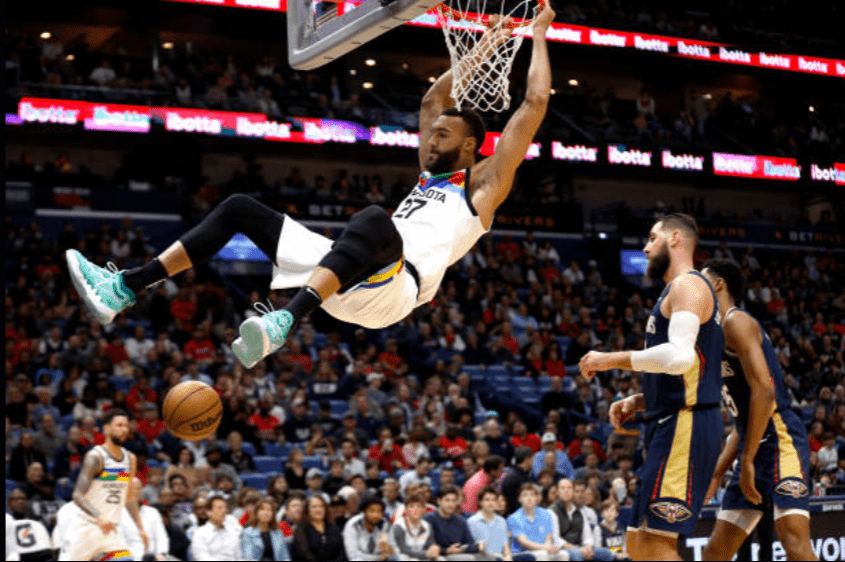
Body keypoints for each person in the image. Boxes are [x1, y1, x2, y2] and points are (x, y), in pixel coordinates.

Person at [65, 4, 556, 375]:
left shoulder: (485, 186)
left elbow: (533, 103)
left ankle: (283, 321)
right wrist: (483, 49)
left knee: (374, 218)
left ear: (470, 147)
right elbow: (432, 100)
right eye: (431, 134)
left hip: (393, 290)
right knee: (239, 208)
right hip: (345, 274)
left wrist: (537, 34)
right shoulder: (428, 174)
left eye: (442, 136)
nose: (429, 139)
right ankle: (124, 287)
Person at [579, 214, 724, 561]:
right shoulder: (676, 290)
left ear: (675, 238)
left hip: (686, 425)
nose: (645, 248)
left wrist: (609, 359)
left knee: (656, 545)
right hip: (672, 419)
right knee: (638, 543)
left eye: (651, 238)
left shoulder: (689, 285)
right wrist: (640, 400)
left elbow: (679, 358)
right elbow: (689, 374)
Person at [699, 259, 816, 561]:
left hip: (780, 441)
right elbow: (744, 423)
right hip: (752, 445)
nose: (694, 288)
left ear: (719, 284)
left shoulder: (735, 321)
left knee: (796, 546)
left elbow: (765, 392)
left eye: (701, 280)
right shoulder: (712, 338)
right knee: (715, 553)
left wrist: (747, 460)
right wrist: (717, 474)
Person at [63, 408, 148, 561]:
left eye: (126, 426)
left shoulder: (130, 459)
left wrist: (140, 528)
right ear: (106, 429)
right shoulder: (96, 457)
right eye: (119, 425)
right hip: (86, 529)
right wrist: (99, 517)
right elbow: (77, 495)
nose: (124, 430)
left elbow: (129, 498)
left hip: (110, 532)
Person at [507, 482, 568, 561]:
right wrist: (546, 548)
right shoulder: (513, 518)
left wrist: (548, 547)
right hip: (522, 553)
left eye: (532, 495)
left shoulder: (546, 514)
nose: (529, 498)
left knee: (564, 554)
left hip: (543, 549)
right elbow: (524, 542)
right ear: (520, 499)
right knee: (543, 555)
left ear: (536, 498)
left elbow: (548, 538)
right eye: (525, 495)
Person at [468, 486, 525, 561]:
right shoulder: (472, 522)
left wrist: (508, 556)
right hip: (484, 557)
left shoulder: (502, 521)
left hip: (501, 557)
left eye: (494, 500)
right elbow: (473, 548)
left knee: (528, 557)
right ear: (481, 502)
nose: (491, 503)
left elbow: (505, 546)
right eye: (487, 500)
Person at [424, 485, 481, 560]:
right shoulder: (429, 520)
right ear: (439, 501)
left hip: (460, 554)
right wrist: (447, 551)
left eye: (454, 501)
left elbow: (471, 544)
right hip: (439, 556)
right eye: (447, 500)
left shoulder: (461, 521)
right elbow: (427, 546)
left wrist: (462, 549)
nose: (451, 504)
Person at [343, 494, 396, 561]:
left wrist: (391, 551)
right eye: (372, 511)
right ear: (364, 511)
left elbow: (392, 555)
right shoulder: (353, 525)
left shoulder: (385, 525)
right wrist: (377, 558)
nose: (376, 515)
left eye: (379, 511)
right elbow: (353, 556)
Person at [292, 495, 345, 561]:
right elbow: (304, 553)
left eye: (321, 506)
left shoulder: (333, 527)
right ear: (307, 510)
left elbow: (341, 551)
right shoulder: (301, 529)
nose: (318, 509)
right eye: (314, 507)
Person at [390, 493, 440, 561]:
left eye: (419, 506)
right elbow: (403, 550)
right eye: (411, 506)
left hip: (421, 557)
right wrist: (425, 554)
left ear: (424, 510)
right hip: (401, 557)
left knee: (441, 559)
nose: (415, 509)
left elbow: (430, 545)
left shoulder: (427, 526)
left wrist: (434, 548)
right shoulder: (399, 526)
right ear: (406, 510)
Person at [191, 495, 242, 560]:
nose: (224, 511)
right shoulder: (200, 533)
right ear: (209, 512)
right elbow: (202, 557)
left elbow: (238, 557)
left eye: (225, 508)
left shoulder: (232, 533)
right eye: (220, 508)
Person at [242, 497, 291, 561]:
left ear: (273, 514)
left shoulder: (278, 532)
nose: (266, 512)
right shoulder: (248, 533)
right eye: (262, 509)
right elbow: (248, 558)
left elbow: (285, 557)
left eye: (269, 510)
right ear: (256, 513)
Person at [502, 446, 535, 515]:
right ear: (527, 459)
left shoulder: (523, 475)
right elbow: (512, 504)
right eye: (532, 459)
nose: (533, 462)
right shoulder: (513, 478)